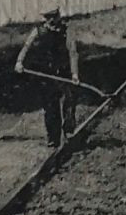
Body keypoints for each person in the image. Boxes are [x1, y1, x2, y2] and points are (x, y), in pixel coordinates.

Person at [14, 8, 80, 148]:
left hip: (64, 73)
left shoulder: (66, 31)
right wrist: (19, 62)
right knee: (50, 107)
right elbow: (27, 46)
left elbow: (73, 52)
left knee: (69, 101)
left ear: (58, 16)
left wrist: (74, 73)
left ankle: (69, 131)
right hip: (46, 74)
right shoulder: (39, 31)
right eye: (48, 17)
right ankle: (53, 138)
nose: (50, 19)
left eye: (53, 16)